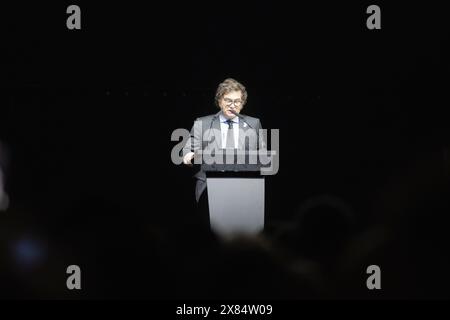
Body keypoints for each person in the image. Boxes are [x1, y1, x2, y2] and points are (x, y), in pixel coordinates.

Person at [182, 78, 266, 226]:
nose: (232, 105)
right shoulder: (203, 122)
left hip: (245, 188)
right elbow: (188, 152)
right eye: (228, 100)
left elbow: (263, 157)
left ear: (243, 103)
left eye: (237, 101)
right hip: (209, 187)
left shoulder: (253, 123)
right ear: (220, 101)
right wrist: (190, 156)